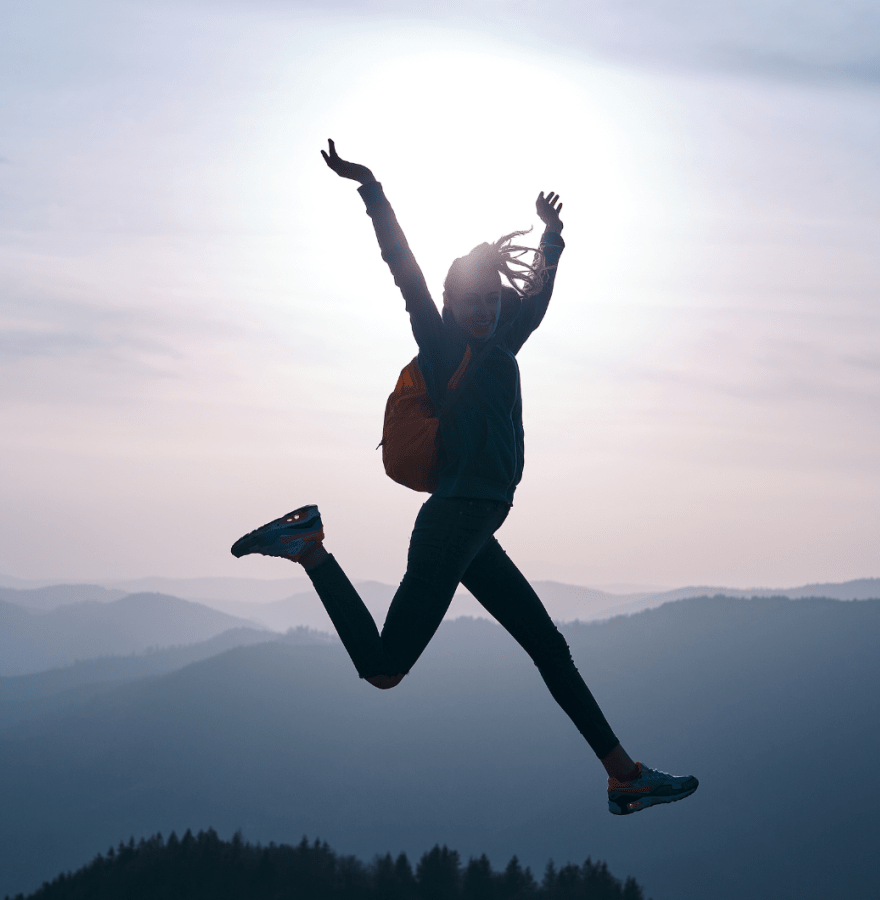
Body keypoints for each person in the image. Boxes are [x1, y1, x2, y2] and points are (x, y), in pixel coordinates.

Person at [231, 140, 697, 816]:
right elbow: (405, 270)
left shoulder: (503, 344)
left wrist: (553, 238)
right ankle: (310, 548)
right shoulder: (444, 346)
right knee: (383, 668)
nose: (481, 310)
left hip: (475, 530)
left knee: (550, 648)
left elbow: (538, 296)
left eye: (488, 301)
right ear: (449, 305)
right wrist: (372, 188)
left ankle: (624, 778)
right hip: (452, 526)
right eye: (468, 301)